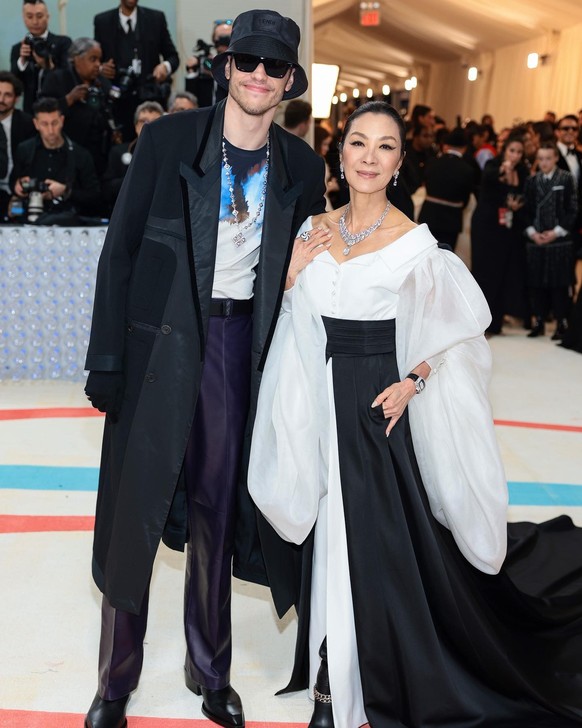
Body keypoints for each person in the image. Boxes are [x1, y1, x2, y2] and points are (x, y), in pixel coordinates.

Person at [248, 100, 582, 728]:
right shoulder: (311, 231)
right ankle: (329, 668)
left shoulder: (417, 245)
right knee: (328, 531)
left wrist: (414, 381)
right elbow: (286, 320)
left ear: (401, 162)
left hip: (378, 408)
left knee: (365, 540)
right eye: (358, 143)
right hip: (315, 395)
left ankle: (342, 682)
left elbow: (458, 337)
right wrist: (288, 278)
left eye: (385, 147)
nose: (369, 158)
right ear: (339, 153)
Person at [83, 9, 326, 728]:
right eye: (247, 60)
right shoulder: (167, 141)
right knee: (136, 513)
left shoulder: (302, 166)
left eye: (274, 66)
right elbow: (120, 252)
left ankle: (209, 669)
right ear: (226, 67)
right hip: (159, 348)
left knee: (218, 510)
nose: (258, 75)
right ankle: (115, 681)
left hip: (236, 347)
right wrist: (107, 362)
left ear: (289, 81)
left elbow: (309, 276)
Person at [93, 0, 179, 140]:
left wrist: (165, 66)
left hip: (150, 100)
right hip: (118, 104)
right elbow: (95, 61)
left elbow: (173, 57)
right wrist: (102, 68)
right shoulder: (102, 21)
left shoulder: (156, 19)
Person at [471, 133, 529, 335]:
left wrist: (517, 204)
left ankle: (496, 322)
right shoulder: (493, 165)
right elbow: (488, 179)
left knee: (503, 272)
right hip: (486, 226)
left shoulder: (523, 170)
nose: (515, 155)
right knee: (484, 271)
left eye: (519, 152)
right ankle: (479, 322)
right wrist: (504, 170)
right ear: (505, 150)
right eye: (512, 151)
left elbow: (524, 194)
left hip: (508, 227)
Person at [10, 96, 101, 224]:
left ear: (62, 121)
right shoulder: (25, 150)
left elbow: (95, 196)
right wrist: (18, 186)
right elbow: (13, 182)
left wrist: (65, 191)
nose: (51, 130)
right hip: (30, 219)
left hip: (69, 222)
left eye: (54, 123)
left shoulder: (80, 155)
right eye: (44, 124)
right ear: (36, 124)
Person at [40, 38, 118, 178]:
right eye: (93, 59)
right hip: (67, 155)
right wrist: (69, 99)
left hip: (99, 156)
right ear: (76, 58)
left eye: (99, 60)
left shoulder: (102, 82)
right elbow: (42, 111)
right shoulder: (57, 78)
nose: (98, 65)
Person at [523, 141, 578, 339]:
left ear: (555, 158)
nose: (544, 162)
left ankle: (561, 322)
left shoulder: (566, 178)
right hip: (536, 240)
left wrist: (556, 232)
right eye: (541, 159)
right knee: (536, 283)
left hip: (559, 240)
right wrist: (532, 233)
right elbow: (526, 210)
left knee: (560, 283)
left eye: (548, 158)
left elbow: (573, 209)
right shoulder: (531, 181)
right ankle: (539, 321)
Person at [10, 0, 72, 114]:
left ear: (47, 17)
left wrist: (48, 66)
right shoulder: (18, 49)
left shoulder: (63, 43)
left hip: (58, 109)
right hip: (30, 111)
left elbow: (68, 77)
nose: (35, 21)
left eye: (39, 16)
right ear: (23, 18)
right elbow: (13, 85)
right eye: (30, 16)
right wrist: (22, 61)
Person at [418, 126, 474, 251]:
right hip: (451, 219)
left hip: (429, 214)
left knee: (425, 253)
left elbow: (426, 184)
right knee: (445, 256)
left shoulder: (432, 162)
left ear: (446, 145)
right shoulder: (467, 170)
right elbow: (465, 199)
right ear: (464, 148)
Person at [101, 100, 163, 211]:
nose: (148, 126)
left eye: (155, 122)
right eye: (143, 121)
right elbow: (107, 190)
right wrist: (134, 178)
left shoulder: (170, 154)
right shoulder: (119, 152)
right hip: (127, 212)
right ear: (136, 126)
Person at [0, 71, 36, 219]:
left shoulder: (27, 124)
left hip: (18, 189)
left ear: (17, 98)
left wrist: (18, 191)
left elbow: (32, 161)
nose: (1, 99)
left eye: (7, 95)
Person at [185, 20, 232, 107]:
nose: (224, 42)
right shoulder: (206, 63)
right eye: (221, 38)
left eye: (228, 38)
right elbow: (190, 100)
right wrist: (192, 73)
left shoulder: (240, 65)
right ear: (214, 41)